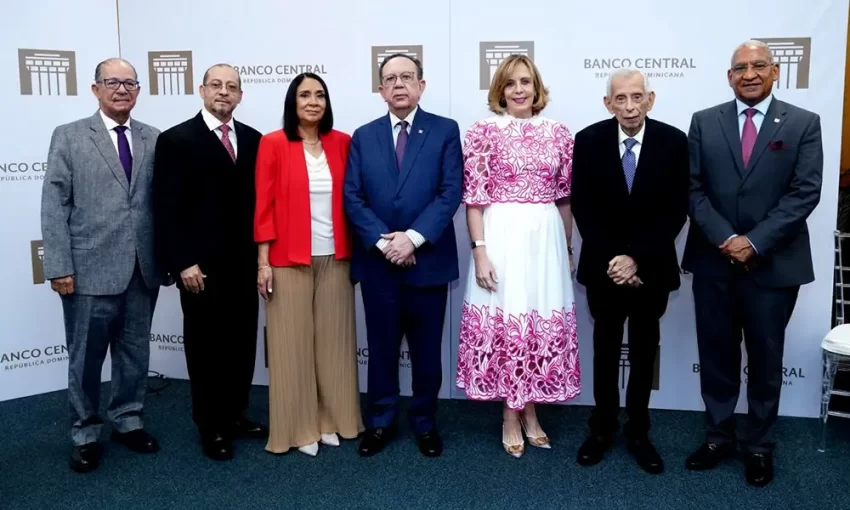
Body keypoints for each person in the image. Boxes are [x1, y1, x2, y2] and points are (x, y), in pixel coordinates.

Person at [682, 40, 823, 487]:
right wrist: (727, 237)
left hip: (774, 264)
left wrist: (754, 242)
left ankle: (759, 446)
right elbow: (693, 189)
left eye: (758, 65)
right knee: (717, 355)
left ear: (775, 71)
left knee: (765, 358)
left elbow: (805, 192)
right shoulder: (704, 122)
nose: (749, 73)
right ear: (729, 76)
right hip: (714, 260)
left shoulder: (803, 123)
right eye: (740, 67)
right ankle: (717, 437)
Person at [41, 58, 163, 473]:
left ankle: (128, 419)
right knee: (86, 358)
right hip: (88, 270)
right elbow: (54, 206)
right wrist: (59, 266)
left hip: (142, 270)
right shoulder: (71, 136)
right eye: (112, 82)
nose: (122, 89)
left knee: (134, 354)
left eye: (130, 83)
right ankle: (85, 431)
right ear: (95, 89)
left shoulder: (153, 138)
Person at [455, 54, 580, 458]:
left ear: (537, 87)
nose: (520, 90)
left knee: (535, 319)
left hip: (545, 241)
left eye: (526, 82)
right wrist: (479, 253)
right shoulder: (482, 132)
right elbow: (473, 201)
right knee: (508, 321)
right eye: (511, 84)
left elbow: (564, 199)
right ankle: (511, 416)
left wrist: (567, 246)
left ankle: (530, 411)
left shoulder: (560, 133)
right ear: (500, 91)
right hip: (501, 235)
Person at [343, 53, 463, 458]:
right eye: (390, 79)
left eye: (407, 77)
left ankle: (425, 422)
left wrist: (411, 239)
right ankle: (380, 422)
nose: (399, 85)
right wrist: (386, 243)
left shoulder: (445, 131)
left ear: (421, 85)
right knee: (381, 350)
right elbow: (352, 197)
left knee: (427, 353)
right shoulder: (363, 135)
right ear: (380, 89)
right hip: (379, 266)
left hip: (427, 264)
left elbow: (450, 193)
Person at [571, 68, 689, 474]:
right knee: (604, 350)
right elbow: (584, 208)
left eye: (637, 97)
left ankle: (638, 432)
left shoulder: (674, 142)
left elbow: (675, 210)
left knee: (643, 353)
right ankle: (601, 429)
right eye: (620, 98)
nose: (630, 106)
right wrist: (616, 262)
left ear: (650, 99)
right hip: (604, 268)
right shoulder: (587, 141)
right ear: (608, 103)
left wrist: (636, 259)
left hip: (651, 269)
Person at [153, 64, 267, 462]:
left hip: (244, 265)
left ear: (240, 95)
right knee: (205, 350)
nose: (224, 92)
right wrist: (183, 261)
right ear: (202, 90)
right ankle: (210, 425)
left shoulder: (254, 140)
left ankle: (235, 415)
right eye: (216, 85)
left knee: (241, 345)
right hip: (199, 270)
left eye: (231, 87)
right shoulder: (175, 140)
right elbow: (165, 209)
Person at [254, 72, 363, 457]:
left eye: (320, 95)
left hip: (336, 258)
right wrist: (263, 262)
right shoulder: (273, 144)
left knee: (333, 346)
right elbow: (263, 207)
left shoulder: (343, 143)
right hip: (287, 260)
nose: (313, 101)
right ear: (292, 102)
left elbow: (356, 199)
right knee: (291, 348)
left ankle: (330, 419)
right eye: (304, 95)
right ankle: (298, 428)